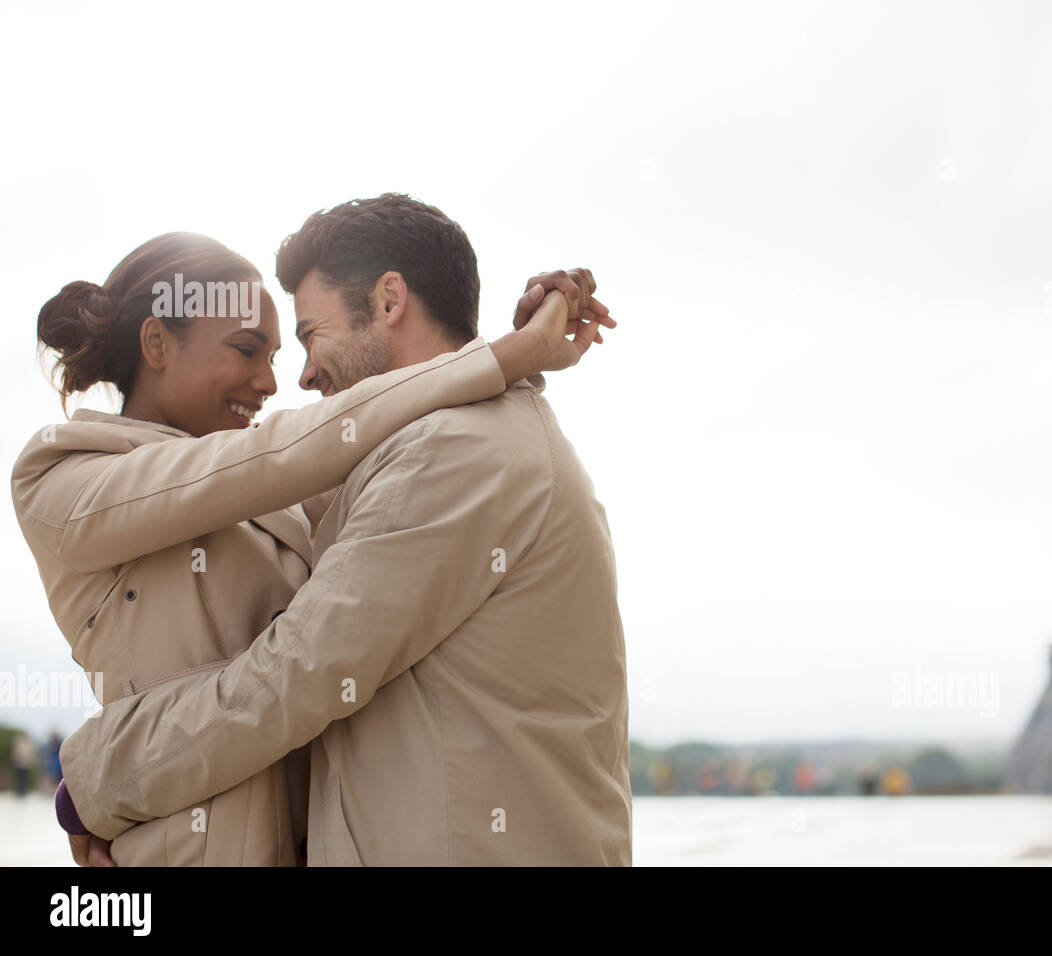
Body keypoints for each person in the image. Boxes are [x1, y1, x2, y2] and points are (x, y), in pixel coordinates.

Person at [56, 194, 632, 865]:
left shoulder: (452, 454)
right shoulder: (441, 447)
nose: (297, 375)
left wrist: (94, 784)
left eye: (308, 335)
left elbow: (290, 680)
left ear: (390, 300)